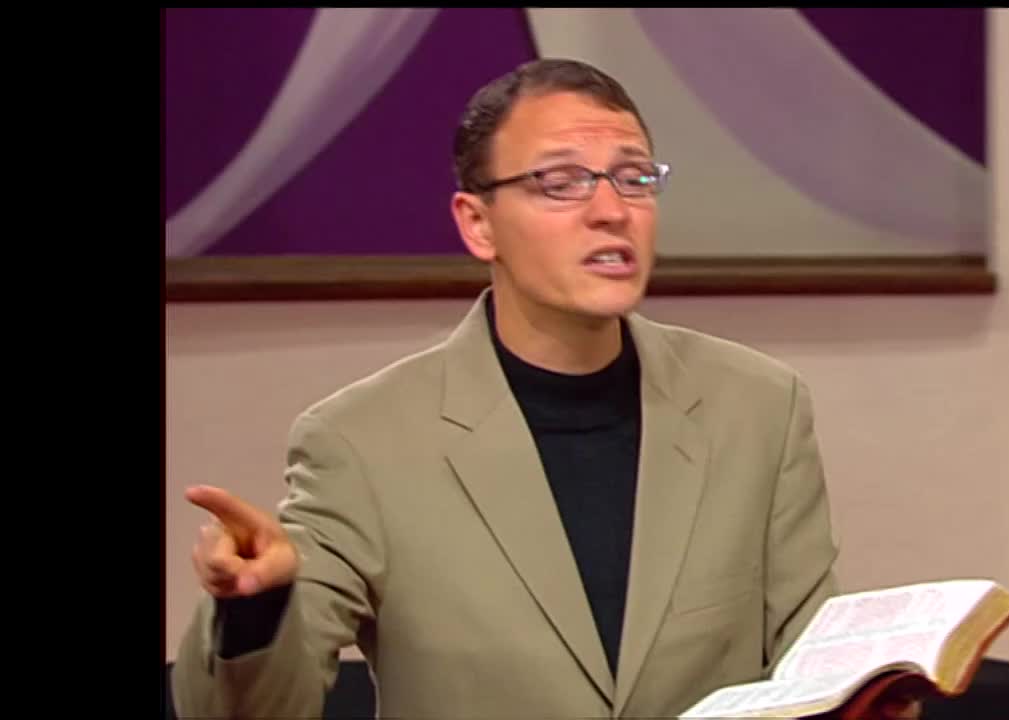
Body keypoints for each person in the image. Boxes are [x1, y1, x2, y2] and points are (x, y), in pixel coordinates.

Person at [170, 58, 922, 720]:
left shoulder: (758, 407)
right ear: (478, 224)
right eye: (560, 182)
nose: (611, 209)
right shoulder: (362, 441)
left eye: (634, 177)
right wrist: (253, 609)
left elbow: (807, 668)